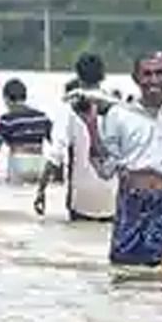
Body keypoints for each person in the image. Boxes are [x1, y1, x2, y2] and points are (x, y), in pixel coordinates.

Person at [85, 51, 162, 267]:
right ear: (136, 78)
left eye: (159, 73)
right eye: (147, 74)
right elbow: (105, 169)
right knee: (126, 275)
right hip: (131, 201)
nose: (153, 80)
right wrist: (92, 128)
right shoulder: (119, 114)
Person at [34, 53, 120, 221]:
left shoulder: (68, 107)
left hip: (81, 199)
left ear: (78, 74)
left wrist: (41, 190)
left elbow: (56, 154)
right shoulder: (117, 106)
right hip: (113, 198)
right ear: (103, 76)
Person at [0, 78, 53, 185]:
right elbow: (54, 142)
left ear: (6, 98)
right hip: (39, 164)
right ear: (25, 96)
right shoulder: (42, 117)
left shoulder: (7, 119)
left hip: (18, 163)